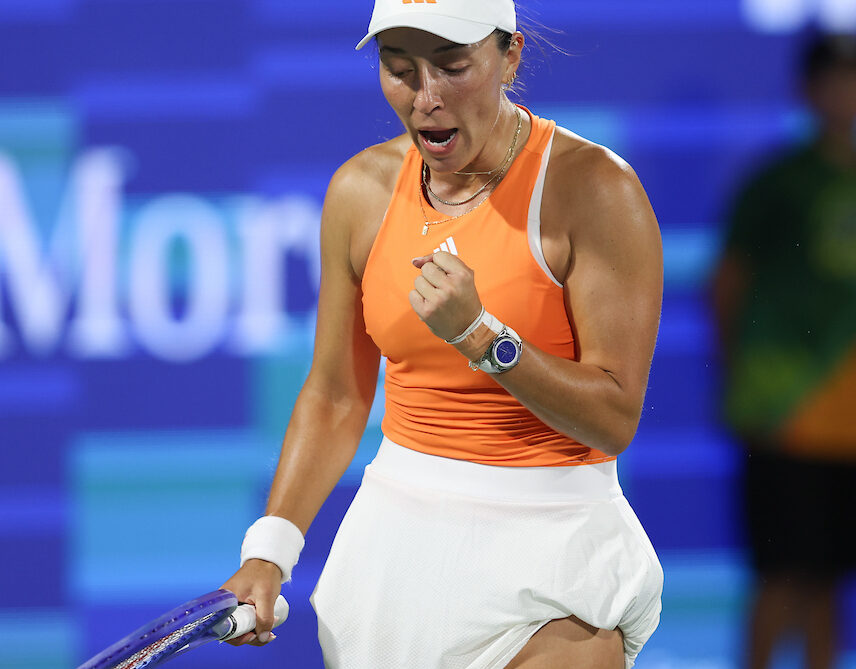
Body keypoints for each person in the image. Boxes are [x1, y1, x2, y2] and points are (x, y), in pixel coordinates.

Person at [222, 0, 664, 666]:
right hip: (394, 549)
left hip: (559, 555)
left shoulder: (597, 190)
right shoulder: (361, 191)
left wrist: (482, 337)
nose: (425, 97)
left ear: (510, 57)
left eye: (453, 67)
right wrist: (269, 551)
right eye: (400, 70)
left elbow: (614, 417)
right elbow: (337, 395)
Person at [711, 31, 856, 669]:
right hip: (785, 413)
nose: (847, 93)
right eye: (836, 78)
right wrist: (739, 383)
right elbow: (726, 286)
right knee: (780, 576)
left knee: (828, 580)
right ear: (808, 90)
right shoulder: (775, 185)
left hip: (848, 422)